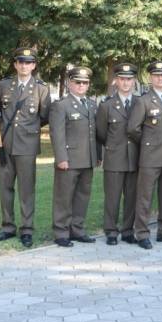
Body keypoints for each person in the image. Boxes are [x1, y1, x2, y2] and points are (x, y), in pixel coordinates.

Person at [0, 47, 51, 248]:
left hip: (27, 145)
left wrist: (28, 130)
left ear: (33, 66)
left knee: (26, 189)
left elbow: (44, 116)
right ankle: (8, 226)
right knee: (5, 187)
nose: (24, 66)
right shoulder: (3, 85)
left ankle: (27, 229)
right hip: (5, 144)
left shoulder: (41, 89)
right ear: (15, 64)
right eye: (21, 62)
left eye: (28, 62)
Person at [128, 60, 162, 249]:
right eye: (156, 75)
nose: (160, 78)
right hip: (150, 156)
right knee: (145, 196)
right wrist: (147, 144)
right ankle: (142, 233)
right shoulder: (143, 101)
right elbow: (133, 129)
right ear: (151, 78)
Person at [49, 66, 98, 247]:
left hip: (88, 159)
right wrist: (61, 158)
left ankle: (77, 229)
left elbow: (95, 134)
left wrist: (97, 155)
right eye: (77, 82)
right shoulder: (61, 106)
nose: (81, 85)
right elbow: (57, 134)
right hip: (68, 159)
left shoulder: (92, 105)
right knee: (63, 197)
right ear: (70, 83)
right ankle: (61, 232)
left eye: (85, 83)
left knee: (82, 196)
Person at [96, 62, 139, 245]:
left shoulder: (140, 102)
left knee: (132, 198)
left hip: (136, 158)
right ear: (116, 81)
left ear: (134, 81)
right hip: (115, 157)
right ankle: (111, 231)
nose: (126, 83)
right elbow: (101, 133)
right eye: (122, 79)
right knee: (112, 198)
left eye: (129, 79)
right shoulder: (107, 105)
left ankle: (128, 231)